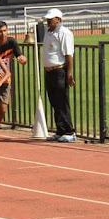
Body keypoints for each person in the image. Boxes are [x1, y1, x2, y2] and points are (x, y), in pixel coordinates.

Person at [0, 21, 27, 142]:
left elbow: (20, 55)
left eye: (5, 31)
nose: (3, 34)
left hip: (5, 80)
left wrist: (23, 59)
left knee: (2, 110)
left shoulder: (12, 42)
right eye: (0, 31)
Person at [42, 8, 76, 142]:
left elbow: (68, 55)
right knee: (54, 101)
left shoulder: (64, 33)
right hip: (49, 71)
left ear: (58, 19)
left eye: (51, 19)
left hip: (59, 70)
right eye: (48, 19)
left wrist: (69, 74)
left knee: (62, 101)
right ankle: (60, 129)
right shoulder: (48, 32)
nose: (49, 21)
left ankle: (69, 131)